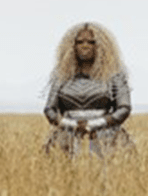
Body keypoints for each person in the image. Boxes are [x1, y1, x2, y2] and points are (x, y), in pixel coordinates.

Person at [43, 22, 133, 157]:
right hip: (66, 139)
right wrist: (71, 124)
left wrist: (95, 124)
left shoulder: (114, 75)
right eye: (80, 42)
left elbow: (124, 108)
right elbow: (49, 109)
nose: (85, 46)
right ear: (72, 46)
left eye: (91, 42)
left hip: (107, 138)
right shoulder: (61, 75)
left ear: (101, 46)